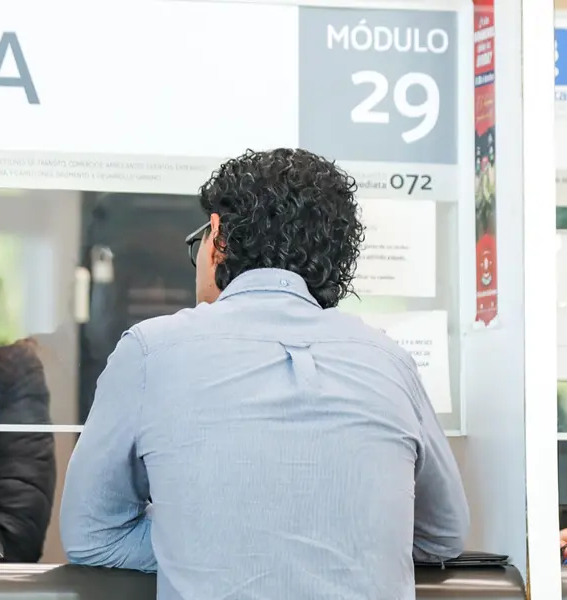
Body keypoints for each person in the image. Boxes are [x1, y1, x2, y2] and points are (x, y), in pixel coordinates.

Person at [60, 149, 469, 599]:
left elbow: (93, 535)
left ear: (218, 236)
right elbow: (442, 537)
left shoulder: (149, 352)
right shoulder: (389, 360)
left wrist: (203, 541)